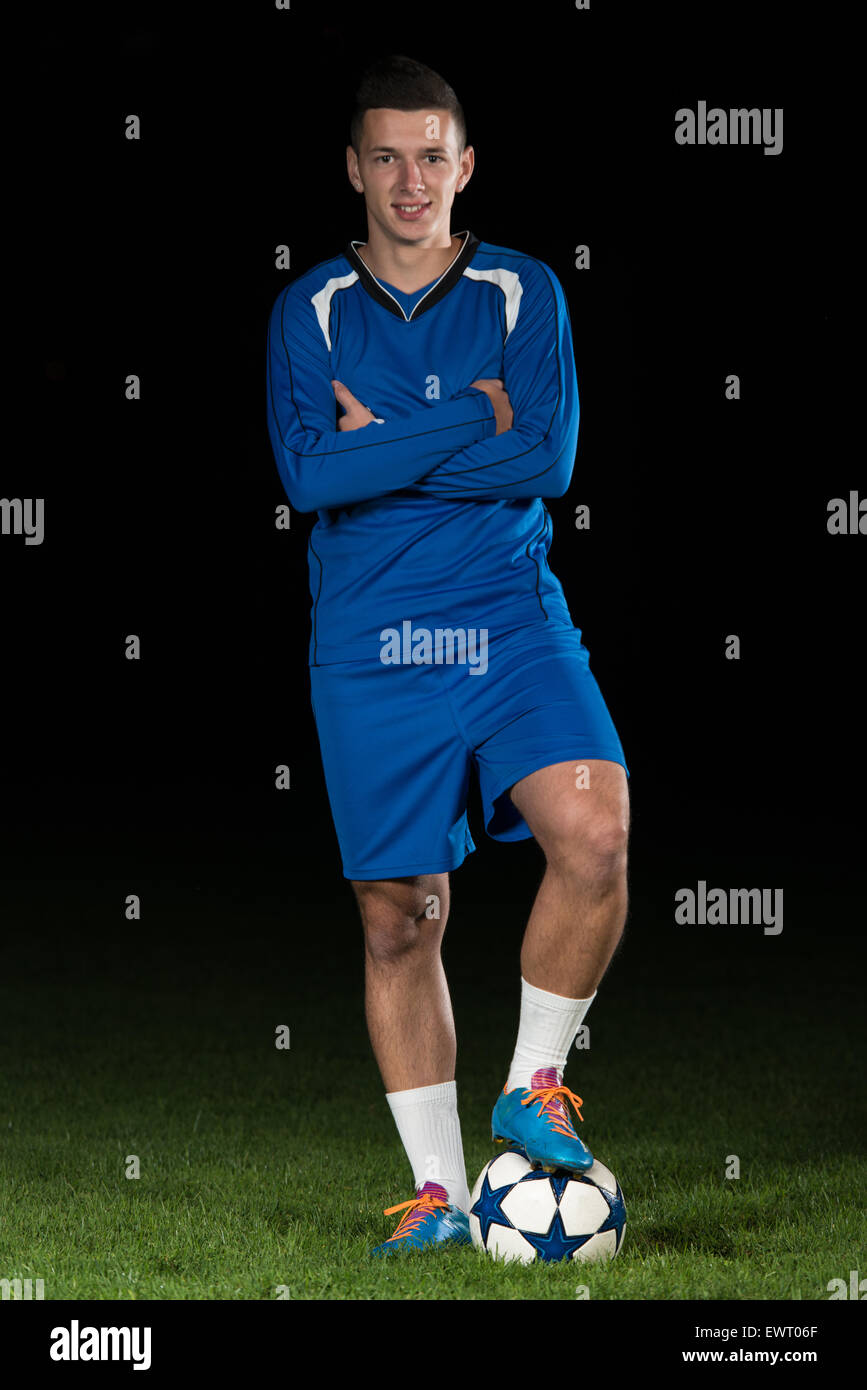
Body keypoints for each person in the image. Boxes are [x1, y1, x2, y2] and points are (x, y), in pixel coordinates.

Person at [266, 54, 630, 1255]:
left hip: (509, 616)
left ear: (465, 166)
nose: (411, 179)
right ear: (354, 170)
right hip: (371, 643)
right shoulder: (309, 308)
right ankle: (438, 1196)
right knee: (397, 918)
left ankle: (532, 1082)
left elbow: (550, 465)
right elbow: (311, 476)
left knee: (595, 829)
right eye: (387, 155)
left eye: (433, 155)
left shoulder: (526, 291)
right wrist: (476, 412)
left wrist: (390, 443)